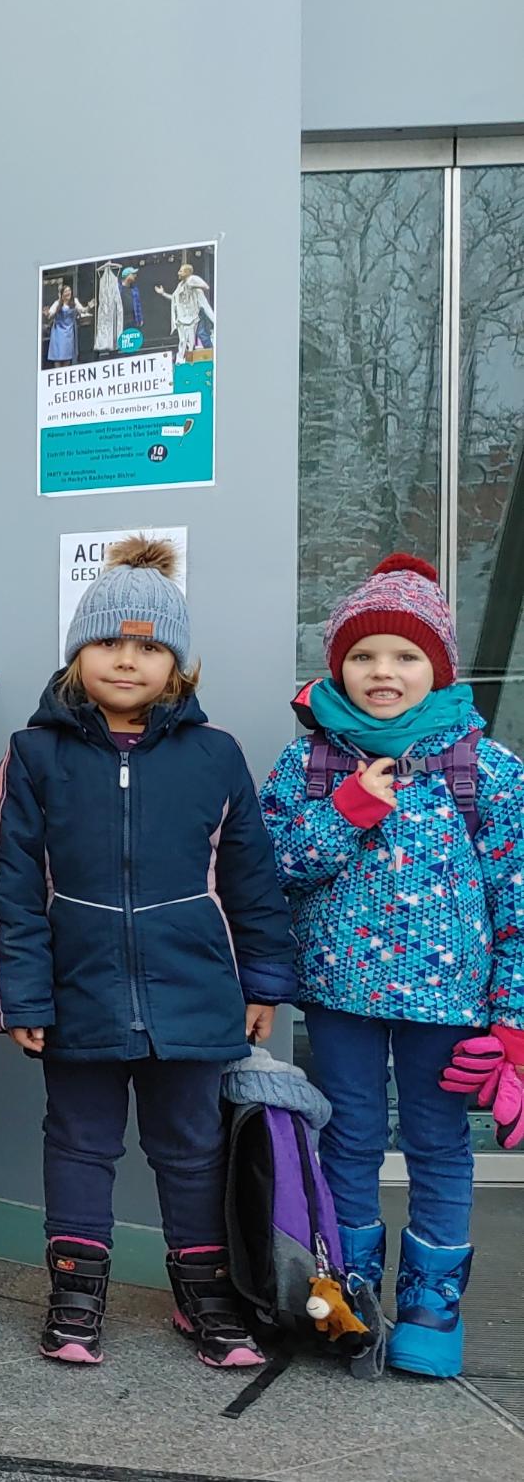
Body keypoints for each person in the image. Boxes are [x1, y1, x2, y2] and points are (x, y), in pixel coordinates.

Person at [0, 536, 296, 1370]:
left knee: (191, 1148)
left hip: (195, 994)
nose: (128, 661)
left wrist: (263, 980)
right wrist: (24, 996)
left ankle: (205, 1298)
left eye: (150, 646)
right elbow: (11, 886)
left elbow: (252, 879)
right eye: (110, 643)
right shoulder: (37, 753)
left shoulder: (215, 755)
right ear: (77, 653)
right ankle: (76, 1294)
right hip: (77, 992)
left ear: (179, 666)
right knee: (80, 1143)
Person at [259, 554, 524, 1379]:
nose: (383, 672)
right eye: (365, 654)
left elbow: (517, 902)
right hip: (339, 996)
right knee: (349, 1139)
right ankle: (350, 1295)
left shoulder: (488, 770)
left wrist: (512, 1018)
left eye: (406, 657)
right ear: (338, 664)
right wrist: (345, 813)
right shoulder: (309, 766)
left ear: (438, 669)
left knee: (442, 1146)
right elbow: (268, 869)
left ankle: (433, 1309)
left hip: (449, 1008)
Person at [156, 263, 214, 359]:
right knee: (184, 342)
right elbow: (175, 300)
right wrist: (163, 293)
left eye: (181, 271)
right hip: (183, 320)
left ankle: (213, 355)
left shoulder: (194, 287)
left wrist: (192, 283)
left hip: (194, 317)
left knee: (200, 336)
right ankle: (186, 361)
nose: (178, 273)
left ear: (187, 273)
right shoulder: (179, 287)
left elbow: (205, 287)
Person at [44, 283, 94, 367]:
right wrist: (47, 313)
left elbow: (83, 310)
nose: (68, 293)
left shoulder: (74, 301)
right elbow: (51, 314)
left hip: (68, 332)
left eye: (69, 291)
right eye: (66, 291)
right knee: (58, 356)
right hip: (58, 333)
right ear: (62, 294)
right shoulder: (57, 303)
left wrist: (89, 307)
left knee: (67, 356)